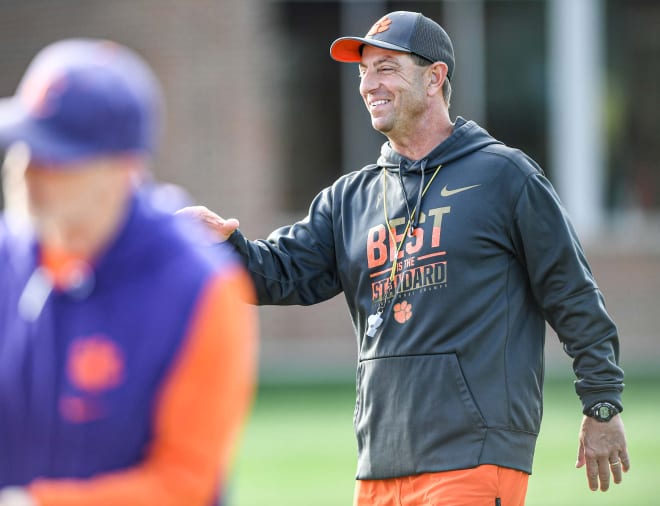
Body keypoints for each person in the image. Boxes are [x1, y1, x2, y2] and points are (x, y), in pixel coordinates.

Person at [180, 10, 629, 506]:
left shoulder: (505, 177)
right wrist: (219, 247)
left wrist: (602, 404)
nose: (370, 84)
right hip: (379, 462)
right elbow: (279, 273)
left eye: (387, 68)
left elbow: (571, 293)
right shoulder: (350, 199)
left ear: (434, 77)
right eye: (364, 72)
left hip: (473, 456)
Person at [0, 38, 258, 506]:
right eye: (22, 146)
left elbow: (184, 483)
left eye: (56, 157)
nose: (27, 172)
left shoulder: (199, 289)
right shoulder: (7, 256)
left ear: (124, 170)